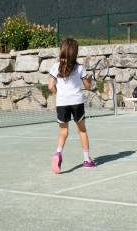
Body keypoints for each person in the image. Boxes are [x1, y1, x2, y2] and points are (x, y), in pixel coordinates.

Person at [48, 38, 96, 173]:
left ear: (61, 51)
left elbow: (51, 86)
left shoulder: (55, 67)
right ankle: (87, 160)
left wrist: (58, 93)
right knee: (82, 130)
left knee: (63, 132)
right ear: (75, 53)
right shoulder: (80, 68)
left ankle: (58, 153)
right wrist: (89, 80)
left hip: (62, 104)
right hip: (77, 103)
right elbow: (87, 86)